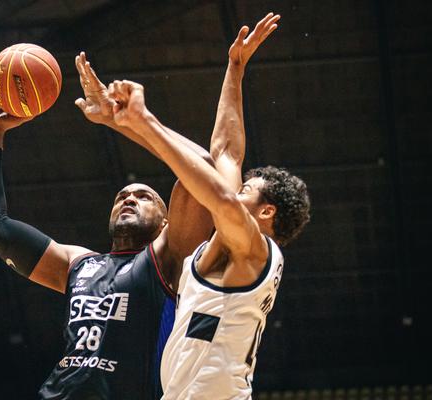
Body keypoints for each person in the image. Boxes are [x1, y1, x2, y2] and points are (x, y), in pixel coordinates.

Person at [0, 51, 215, 398]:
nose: (128, 198)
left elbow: (202, 166)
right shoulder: (77, 264)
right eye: (121, 196)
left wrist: (126, 121)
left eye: (144, 196)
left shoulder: (171, 259)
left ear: (166, 222)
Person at [106, 13, 311, 400]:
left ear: (266, 212)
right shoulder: (227, 243)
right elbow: (225, 153)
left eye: (247, 189)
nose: (235, 189)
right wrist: (235, 68)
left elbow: (219, 194)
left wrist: (143, 122)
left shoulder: (255, 249)